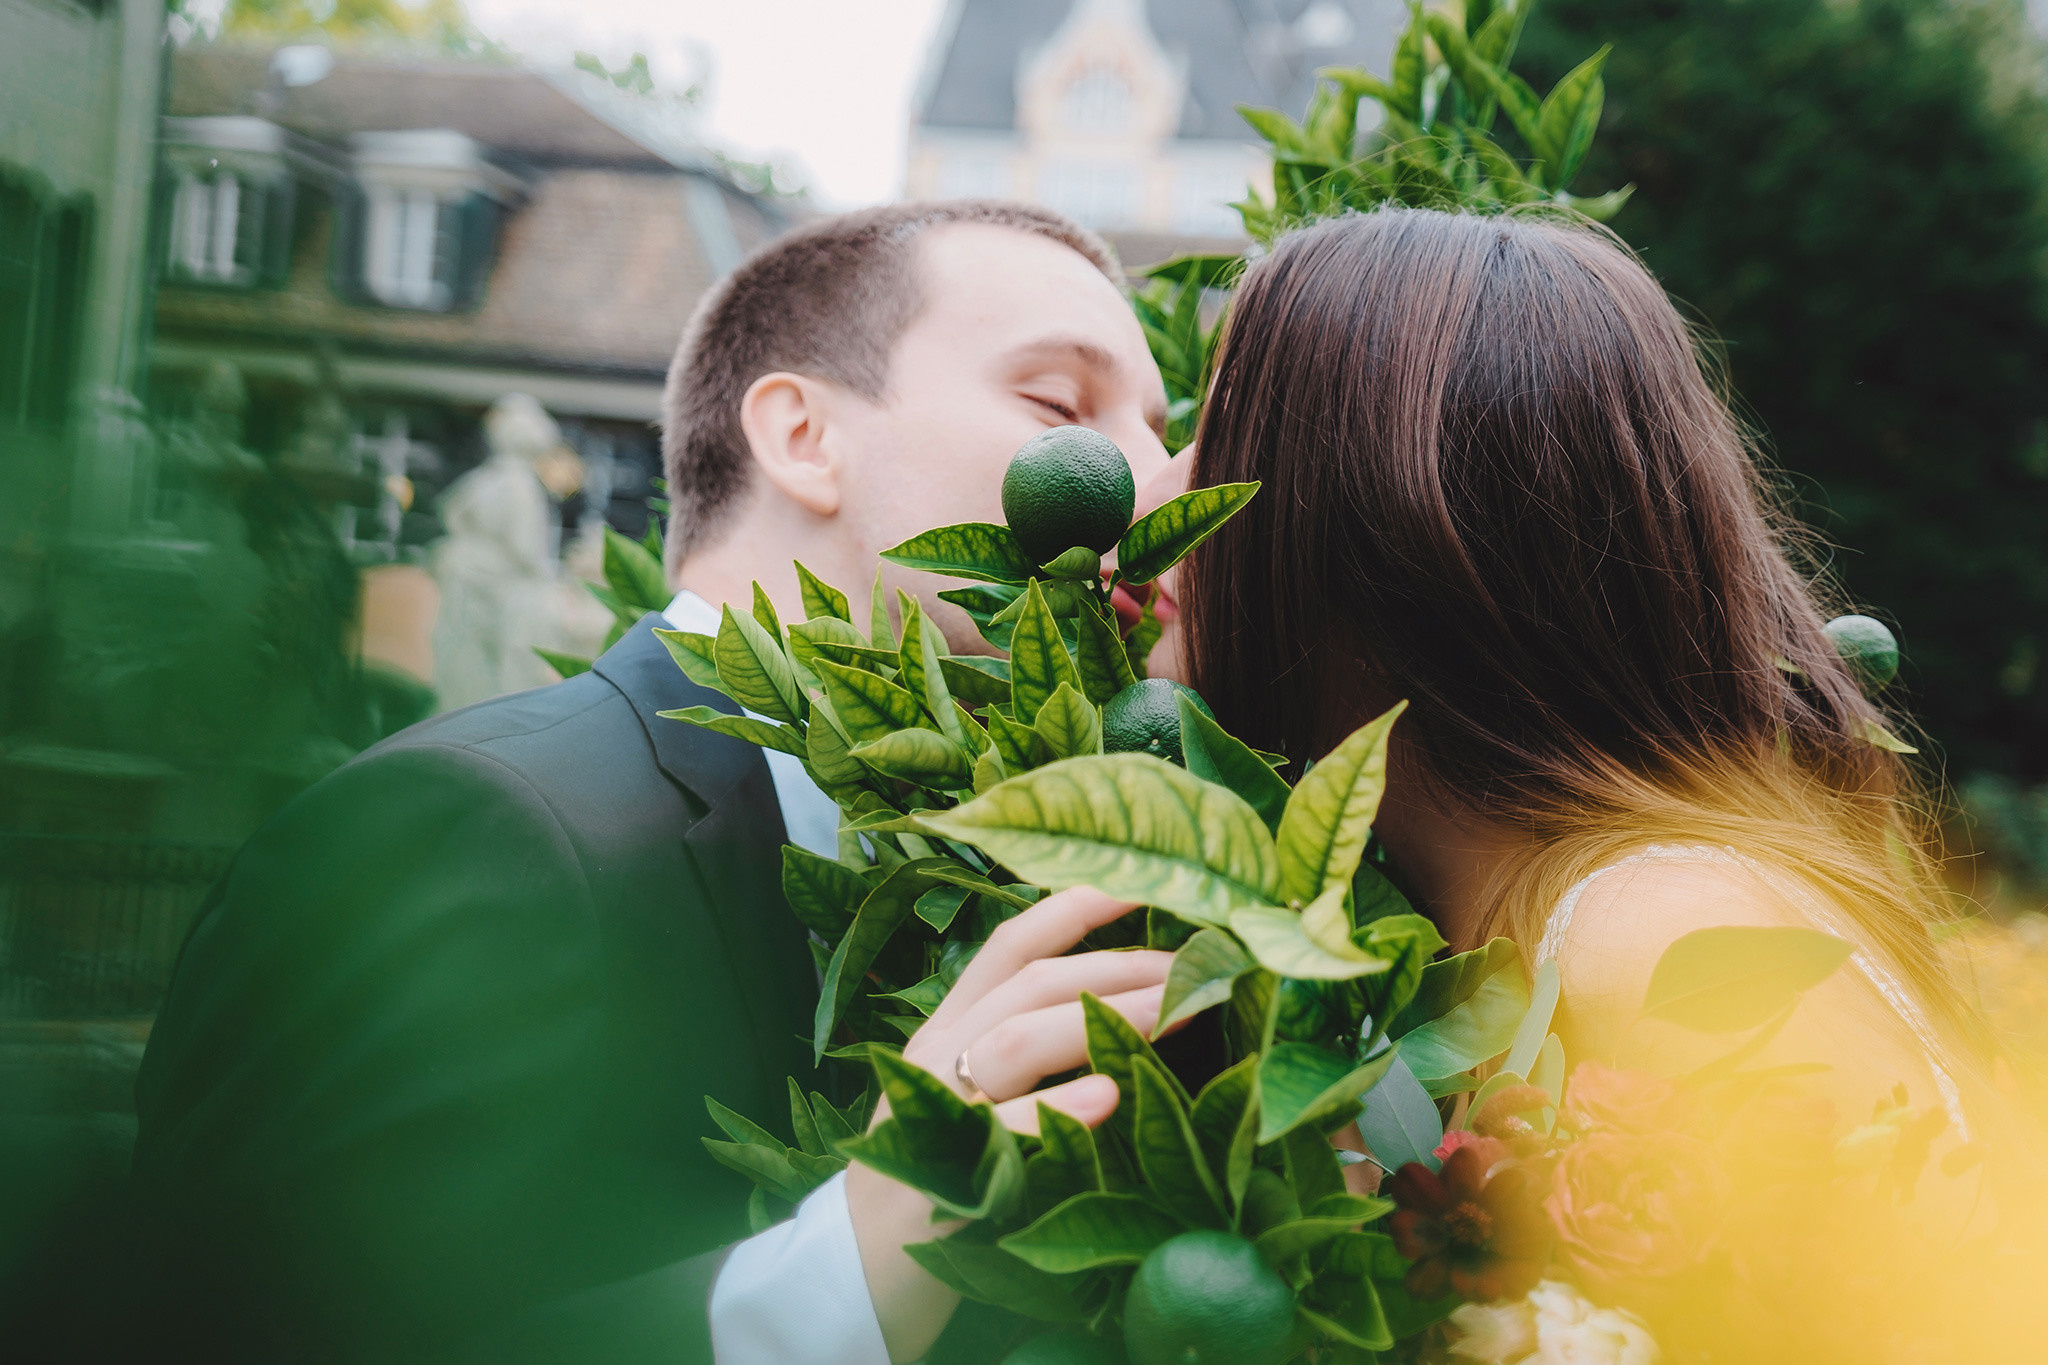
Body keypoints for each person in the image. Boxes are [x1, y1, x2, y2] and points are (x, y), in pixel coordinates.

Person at [128, 200, 1173, 1365]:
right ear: (800, 435)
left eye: (1160, 425)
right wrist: (845, 1273)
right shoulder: (470, 832)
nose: (1157, 484)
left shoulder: (1009, 877)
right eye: (1059, 404)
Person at [1141, 206, 1993, 1203]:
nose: (1151, 493)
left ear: (1382, 507)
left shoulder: (1646, 936)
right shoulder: (1517, 938)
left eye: (1219, 428)